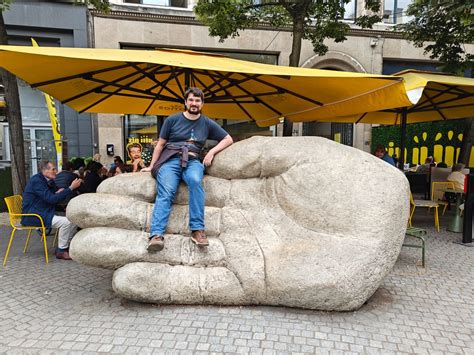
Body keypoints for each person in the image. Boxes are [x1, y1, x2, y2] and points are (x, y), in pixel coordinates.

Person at [141, 87, 233, 252]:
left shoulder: (206, 122)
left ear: (202, 103)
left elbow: (228, 139)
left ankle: (197, 230)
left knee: (195, 181)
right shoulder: (172, 120)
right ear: (185, 102)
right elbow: (160, 144)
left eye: (197, 101)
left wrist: (211, 152)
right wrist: (151, 166)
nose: (194, 103)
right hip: (170, 160)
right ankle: (156, 235)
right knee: (167, 191)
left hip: (193, 161)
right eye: (191, 100)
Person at [22, 161, 82, 260]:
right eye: (53, 169)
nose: (56, 171)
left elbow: (55, 196)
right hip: (34, 215)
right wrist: (71, 188)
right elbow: (52, 199)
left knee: (74, 219)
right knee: (66, 222)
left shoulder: (48, 180)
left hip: (44, 210)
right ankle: (61, 251)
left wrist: (62, 200)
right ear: (45, 170)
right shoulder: (36, 181)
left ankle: (66, 246)